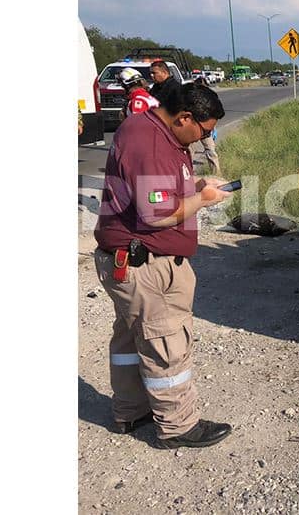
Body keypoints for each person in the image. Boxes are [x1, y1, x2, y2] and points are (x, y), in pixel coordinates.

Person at [93, 82, 234, 449]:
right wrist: (202, 200)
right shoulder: (150, 142)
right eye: (205, 131)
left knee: (130, 338)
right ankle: (178, 426)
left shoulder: (155, 133)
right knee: (165, 342)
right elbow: (156, 216)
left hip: (134, 261)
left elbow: (160, 190)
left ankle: (131, 409)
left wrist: (199, 185)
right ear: (184, 117)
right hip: (145, 265)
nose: (206, 138)